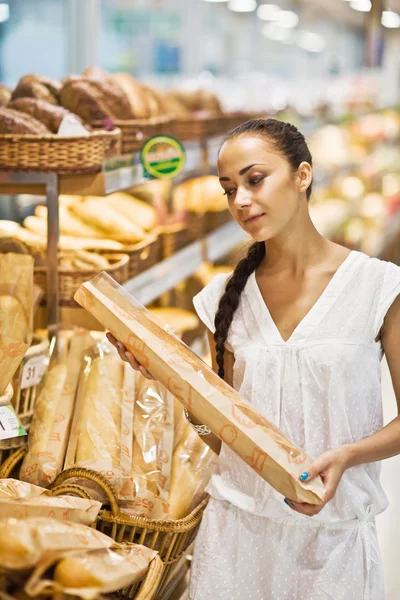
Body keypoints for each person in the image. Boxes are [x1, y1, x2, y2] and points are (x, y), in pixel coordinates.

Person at [107, 118, 400, 600]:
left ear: (302, 175)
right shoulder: (221, 299)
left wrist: (347, 457)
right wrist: (171, 381)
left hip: (333, 546)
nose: (240, 201)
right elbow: (220, 440)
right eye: (228, 189)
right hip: (235, 541)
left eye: (254, 179)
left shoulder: (376, 286)